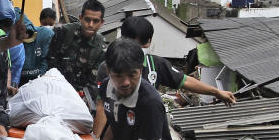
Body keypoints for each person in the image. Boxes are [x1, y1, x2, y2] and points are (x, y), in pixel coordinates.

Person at [47, 0, 107, 140]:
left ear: (101, 23)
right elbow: (51, 61)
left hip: (86, 100)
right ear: (80, 18)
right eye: (87, 20)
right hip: (60, 94)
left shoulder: (101, 45)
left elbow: (98, 80)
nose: (90, 25)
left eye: (95, 21)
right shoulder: (63, 34)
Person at [99, 16, 236, 106]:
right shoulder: (107, 66)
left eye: (141, 44)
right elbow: (102, 106)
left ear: (149, 42)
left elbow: (185, 81)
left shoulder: (156, 65)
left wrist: (217, 92)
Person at [19, 7, 57, 85]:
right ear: (40, 21)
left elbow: (46, 59)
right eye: (45, 24)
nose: (47, 27)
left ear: (55, 22)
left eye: (50, 24)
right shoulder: (29, 34)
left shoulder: (53, 36)